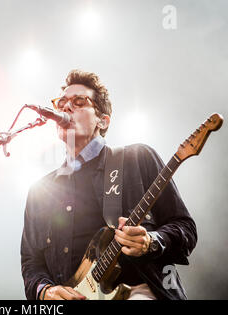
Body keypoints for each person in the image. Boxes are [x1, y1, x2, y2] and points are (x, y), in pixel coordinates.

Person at [20, 69, 197, 300]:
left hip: (136, 291)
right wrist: (45, 291)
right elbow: (31, 263)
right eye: (61, 102)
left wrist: (151, 242)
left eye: (79, 101)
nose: (66, 107)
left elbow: (185, 228)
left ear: (102, 121)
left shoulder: (137, 158)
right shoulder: (40, 192)